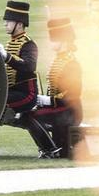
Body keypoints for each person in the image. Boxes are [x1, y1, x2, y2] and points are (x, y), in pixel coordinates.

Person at [0, 1, 57, 157]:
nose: (5, 24)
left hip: (26, 94)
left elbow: (28, 67)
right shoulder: (11, 43)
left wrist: (6, 57)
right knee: (23, 119)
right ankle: (50, 149)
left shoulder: (29, 45)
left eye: (9, 21)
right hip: (13, 91)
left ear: (19, 24)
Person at [28, 18, 82, 158]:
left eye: (53, 38)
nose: (50, 42)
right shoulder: (59, 59)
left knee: (31, 117)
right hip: (59, 108)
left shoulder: (71, 63)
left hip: (69, 110)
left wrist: (47, 101)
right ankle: (50, 147)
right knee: (28, 112)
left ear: (63, 39)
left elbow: (72, 94)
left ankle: (49, 149)